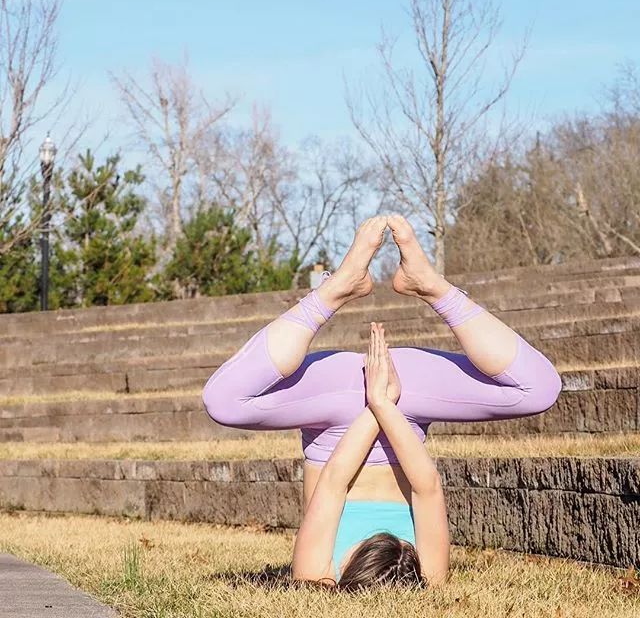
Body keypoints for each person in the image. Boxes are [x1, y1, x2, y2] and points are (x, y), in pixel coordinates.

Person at [202, 215, 562, 589]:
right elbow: (427, 486)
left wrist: (377, 403)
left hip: (340, 413)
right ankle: (431, 287)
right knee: (541, 390)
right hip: (404, 399)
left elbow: (333, 483)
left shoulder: (318, 574)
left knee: (223, 402)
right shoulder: (425, 575)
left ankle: (336, 290)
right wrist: (387, 405)